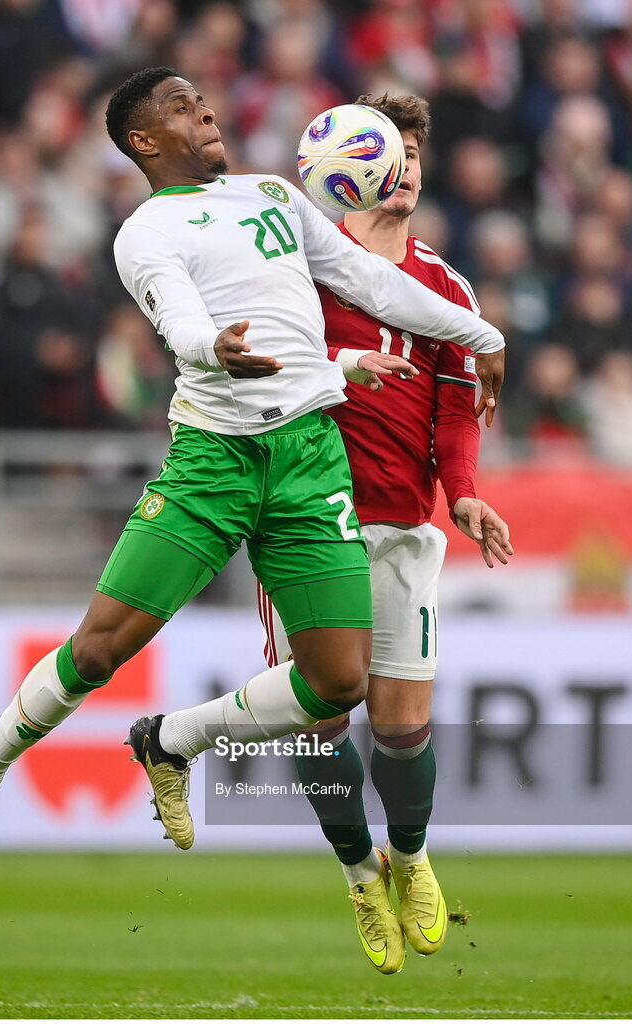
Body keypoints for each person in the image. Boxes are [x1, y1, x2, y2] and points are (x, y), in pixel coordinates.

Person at [0, 67, 505, 873]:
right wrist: (210, 348)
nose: (208, 112)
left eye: (205, 101)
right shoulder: (143, 234)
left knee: (339, 684)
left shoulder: (272, 195)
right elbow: (180, 317)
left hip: (307, 462)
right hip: (214, 462)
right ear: (146, 141)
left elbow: (367, 279)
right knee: (97, 652)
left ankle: (171, 742)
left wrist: (481, 335)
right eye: (185, 108)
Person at [257, 93, 513, 974]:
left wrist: (467, 493)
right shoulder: (303, 268)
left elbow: (457, 407)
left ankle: (408, 855)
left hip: (405, 526)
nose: (400, 168)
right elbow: (269, 362)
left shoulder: (446, 286)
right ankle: (360, 873)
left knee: (402, 728)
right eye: (382, 154)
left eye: (409, 153)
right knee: (321, 719)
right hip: (305, 521)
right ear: (343, 168)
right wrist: (337, 369)